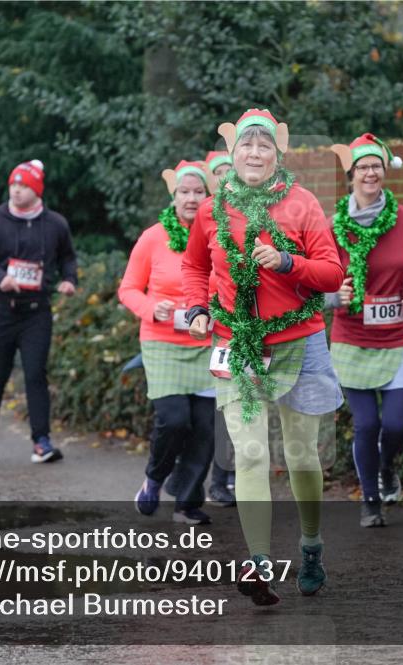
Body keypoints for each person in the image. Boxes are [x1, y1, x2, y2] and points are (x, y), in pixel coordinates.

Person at [182, 110, 345, 605]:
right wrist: (196, 308)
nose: (254, 153)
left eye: (264, 146)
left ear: (278, 154)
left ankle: (311, 546)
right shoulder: (212, 209)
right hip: (238, 343)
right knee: (250, 453)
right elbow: (193, 265)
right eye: (247, 146)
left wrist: (288, 263)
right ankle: (257, 562)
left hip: (300, 339)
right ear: (233, 155)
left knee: (300, 456)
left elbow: (333, 273)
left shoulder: (302, 204)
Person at [328, 134, 403, 527]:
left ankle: (387, 468)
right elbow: (315, 282)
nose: (370, 173)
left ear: (385, 172)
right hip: (351, 338)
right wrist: (335, 295)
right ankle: (371, 502)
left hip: (396, 337)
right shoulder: (333, 225)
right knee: (366, 424)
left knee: (397, 424)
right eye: (363, 167)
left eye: (376, 166)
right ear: (350, 175)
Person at [119, 160, 217, 526]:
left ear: (210, 196)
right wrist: (152, 308)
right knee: (174, 420)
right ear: (173, 196)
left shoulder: (220, 236)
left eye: (199, 192)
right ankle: (153, 480)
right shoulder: (153, 237)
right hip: (161, 341)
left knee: (206, 427)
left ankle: (187, 503)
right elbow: (128, 289)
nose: (192, 199)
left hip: (207, 343)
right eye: (185, 192)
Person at [0, 159, 76, 464]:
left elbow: (68, 258)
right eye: (13, 185)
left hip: (36, 312)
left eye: (24, 186)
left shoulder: (55, 224)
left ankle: (41, 441)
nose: (16, 191)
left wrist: (69, 280)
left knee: (35, 374)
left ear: (36, 190)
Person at [165, 149, 238, 508]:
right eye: (218, 174)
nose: (225, 179)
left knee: (227, 411)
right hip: (185, 337)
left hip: (228, 329)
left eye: (229, 172)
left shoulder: (237, 221)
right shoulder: (195, 225)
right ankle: (183, 475)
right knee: (192, 417)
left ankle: (223, 480)